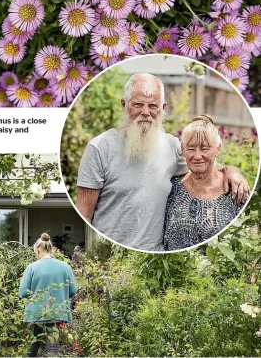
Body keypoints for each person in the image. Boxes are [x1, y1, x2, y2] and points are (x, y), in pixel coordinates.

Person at [76, 73, 249, 251]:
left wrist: (233, 172)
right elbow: (84, 215)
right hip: (109, 257)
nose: (145, 112)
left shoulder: (172, 146)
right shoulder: (99, 148)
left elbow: (204, 165)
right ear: (124, 105)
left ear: (162, 108)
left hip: (154, 259)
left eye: (153, 105)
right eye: (138, 104)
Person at [164, 116, 245, 250]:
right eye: (190, 148)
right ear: (183, 150)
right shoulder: (171, 188)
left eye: (205, 148)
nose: (197, 156)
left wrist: (233, 171)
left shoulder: (235, 191)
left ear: (218, 149)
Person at [19, 232, 77, 357]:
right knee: (53, 346)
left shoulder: (32, 267)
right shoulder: (65, 267)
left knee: (34, 344)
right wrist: (60, 295)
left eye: (35, 252)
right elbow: (72, 291)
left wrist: (36, 299)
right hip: (58, 312)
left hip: (37, 313)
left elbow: (23, 292)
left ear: (38, 249)